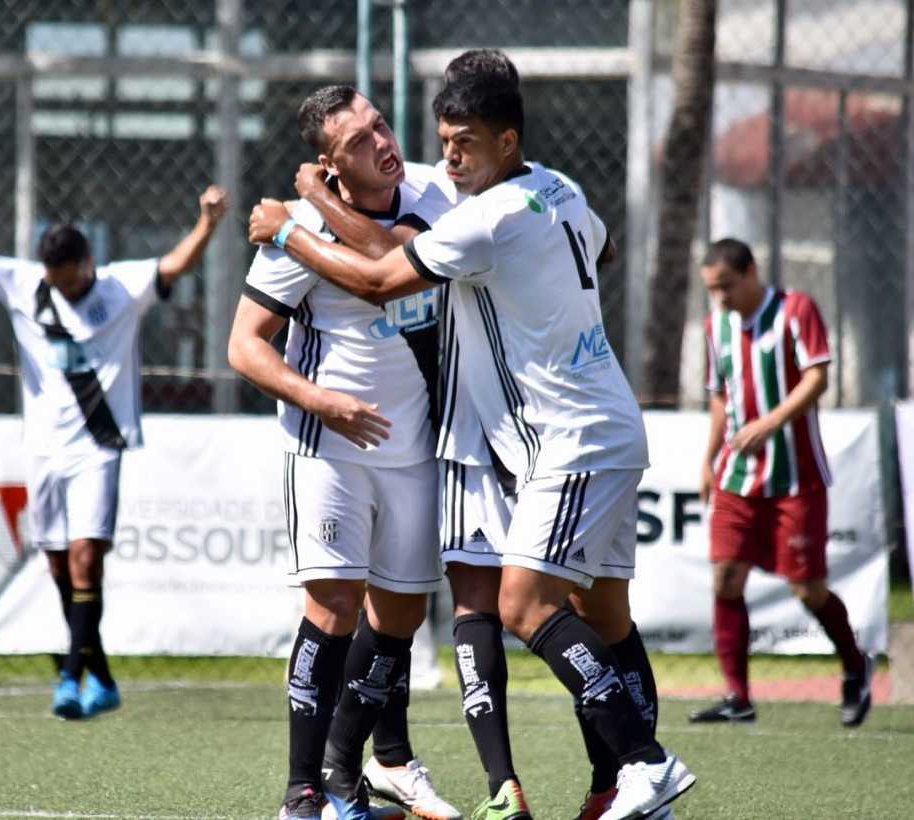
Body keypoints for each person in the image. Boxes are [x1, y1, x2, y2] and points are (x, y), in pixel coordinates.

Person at [248, 73, 696, 820]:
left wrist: (294, 223)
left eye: (465, 145)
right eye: (444, 142)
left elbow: (380, 277)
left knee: (522, 604)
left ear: (506, 141)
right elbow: (603, 249)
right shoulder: (558, 188)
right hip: (607, 422)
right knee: (606, 615)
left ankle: (644, 763)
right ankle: (616, 785)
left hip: (566, 433)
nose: (446, 159)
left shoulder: (481, 219)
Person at [0, 182, 230, 719]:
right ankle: (102, 678)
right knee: (60, 568)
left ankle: (69, 674)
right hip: (42, 448)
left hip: (98, 446)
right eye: (55, 282)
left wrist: (208, 221)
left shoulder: (120, 287)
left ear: (88, 263)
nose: (64, 288)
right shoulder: (24, 284)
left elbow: (175, 264)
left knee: (87, 561)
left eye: (71, 279)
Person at [227, 85, 459, 820]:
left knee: (401, 615)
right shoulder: (294, 229)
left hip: (415, 443)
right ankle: (303, 791)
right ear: (328, 163)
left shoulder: (427, 190)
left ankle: (349, 772)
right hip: (329, 445)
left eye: (381, 124)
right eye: (358, 141)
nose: (382, 142)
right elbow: (243, 346)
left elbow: (390, 254)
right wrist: (322, 401)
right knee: (332, 604)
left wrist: (305, 213)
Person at [690, 237, 874, 727]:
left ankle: (856, 666)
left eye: (727, 286)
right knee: (726, 577)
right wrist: (709, 460)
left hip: (795, 478)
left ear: (751, 272)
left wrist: (771, 422)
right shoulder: (716, 326)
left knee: (806, 588)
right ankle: (737, 696)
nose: (721, 297)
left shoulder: (796, 309)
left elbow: (817, 377)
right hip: (735, 477)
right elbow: (719, 397)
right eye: (712, 289)